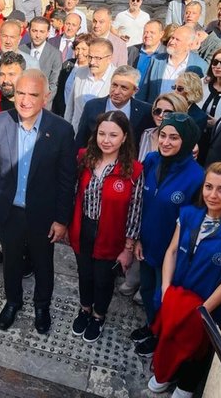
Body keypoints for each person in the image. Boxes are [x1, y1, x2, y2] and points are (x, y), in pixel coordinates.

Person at [0, 70, 76, 334]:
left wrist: (61, 219)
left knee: (43, 263)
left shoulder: (61, 130)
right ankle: (13, 302)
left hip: (43, 215)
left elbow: (67, 180)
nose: (24, 100)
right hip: (8, 211)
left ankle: (42, 306)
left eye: (33, 95)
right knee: (11, 261)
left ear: (46, 97)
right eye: (20, 93)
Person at [147, 160, 221, 398]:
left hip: (205, 305)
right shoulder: (188, 214)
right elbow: (172, 251)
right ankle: (166, 374)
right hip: (176, 297)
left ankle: (185, 387)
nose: (212, 195)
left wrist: (203, 310)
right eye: (208, 187)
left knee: (196, 349)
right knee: (169, 336)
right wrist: (165, 289)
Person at [132, 113, 204, 358]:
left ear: (187, 141)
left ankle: (159, 336)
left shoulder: (197, 177)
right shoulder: (152, 160)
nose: (165, 142)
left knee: (161, 297)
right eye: (162, 135)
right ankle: (151, 325)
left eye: (174, 138)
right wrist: (137, 238)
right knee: (146, 290)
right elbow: (140, 203)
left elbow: (192, 222)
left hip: (171, 253)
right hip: (146, 244)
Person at [68, 111, 144, 342]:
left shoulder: (134, 170)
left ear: (124, 137)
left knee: (103, 279)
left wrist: (128, 247)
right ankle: (85, 309)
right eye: (102, 133)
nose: (106, 140)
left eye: (113, 135)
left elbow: (135, 210)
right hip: (83, 229)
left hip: (112, 236)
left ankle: (99, 316)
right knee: (84, 274)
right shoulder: (84, 158)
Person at [75, 65, 154, 151]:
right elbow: (81, 140)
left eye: (124, 88)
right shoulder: (92, 106)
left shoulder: (145, 111)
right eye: (114, 85)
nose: (116, 92)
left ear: (135, 91)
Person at [137, 25, 208, 104]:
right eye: (172, 38)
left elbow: (199, 97)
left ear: (189, 45)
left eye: (177, 40)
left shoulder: (200, 66)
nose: (172, 42)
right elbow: (143, 90)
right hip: (155, 110)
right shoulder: (156, 60)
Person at [0, 20, 39, 95]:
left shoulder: (32, 64)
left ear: (19, 39)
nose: (8, 41)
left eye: (12, 37)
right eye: (4, 36)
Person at [65, 38, 115, 132]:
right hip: (76, 134)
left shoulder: (117, 78)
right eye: (90, 57)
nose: (92, 62)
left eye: (97, 58)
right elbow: (70, 106)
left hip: (102, 136)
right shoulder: (80, 72)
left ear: (109, 59)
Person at [197, 47, 221, 162]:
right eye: (215, 62)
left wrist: (218, 123)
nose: (218, 66)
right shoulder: (203, 83)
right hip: (195, 140)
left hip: (217, 146)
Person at [19, 17, 62, 105]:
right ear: (29, 31)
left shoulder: (55, 54)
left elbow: (54, 84)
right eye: (34, 31)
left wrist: (41, 102)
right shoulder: (20, 50)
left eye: (42, 32)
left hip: (43, 105)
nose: (38, 35)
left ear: (48, 33)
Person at [137, 93, 189, 162]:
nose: (161, 115)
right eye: (157, 111)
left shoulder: (185, 140)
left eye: (168, 113)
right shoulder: (146, 134)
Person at [51, 33, 91, 117]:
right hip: (62, 112)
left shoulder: (91, 69)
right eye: (77, 49)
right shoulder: (68, 64)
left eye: (84, 49)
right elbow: (60, 88)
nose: (80, 52)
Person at [172, 71, 208, 136]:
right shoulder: (167, 107)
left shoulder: (199, 117)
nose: (175, 91)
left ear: (191, 91)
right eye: (174, 87)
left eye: (179, 89)